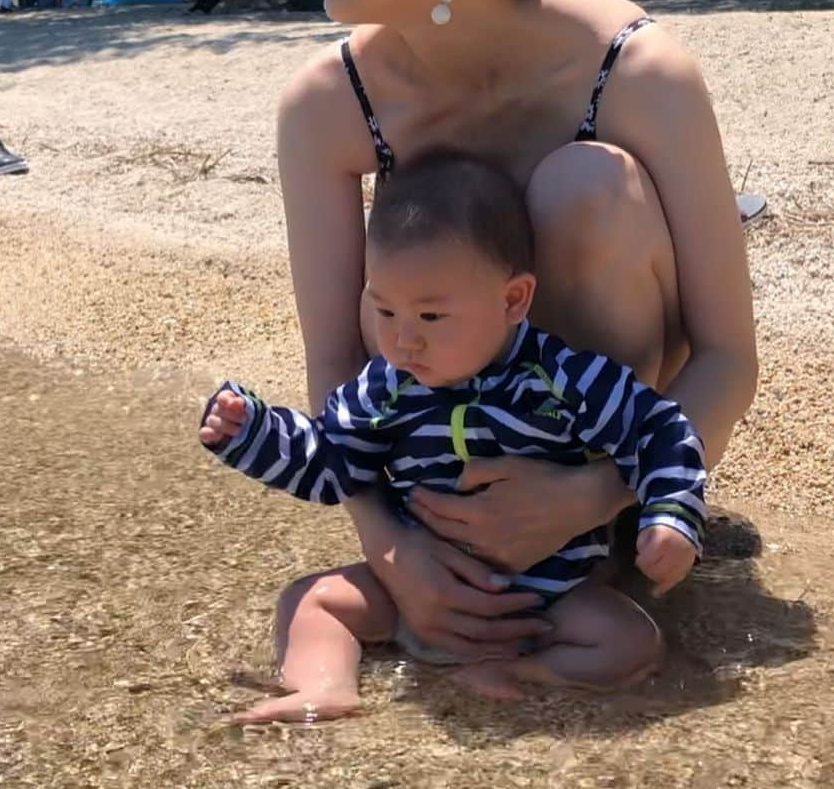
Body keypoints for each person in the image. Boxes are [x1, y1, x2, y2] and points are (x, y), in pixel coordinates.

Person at [276, 0, 756, 665]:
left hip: (611, 462)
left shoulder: (636, 74)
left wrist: (597, 492)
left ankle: (597, 564)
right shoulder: (330, 106)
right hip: (433, 481)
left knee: (585, 187)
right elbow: (337, 372)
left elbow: (728, 359)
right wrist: (396, 552)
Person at [201, 152, 706, 721]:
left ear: (513, 300)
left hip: (542, 602)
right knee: (310, 602)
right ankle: (324, 687)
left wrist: (671, 513)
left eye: (430, 318)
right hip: (416, 592)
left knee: (630, 642)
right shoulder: (388, 387)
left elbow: (660, 427)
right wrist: (255, 433)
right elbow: (332, 464)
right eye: (384, 311)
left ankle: (514, 670)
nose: (403, 342)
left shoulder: (562, 379)